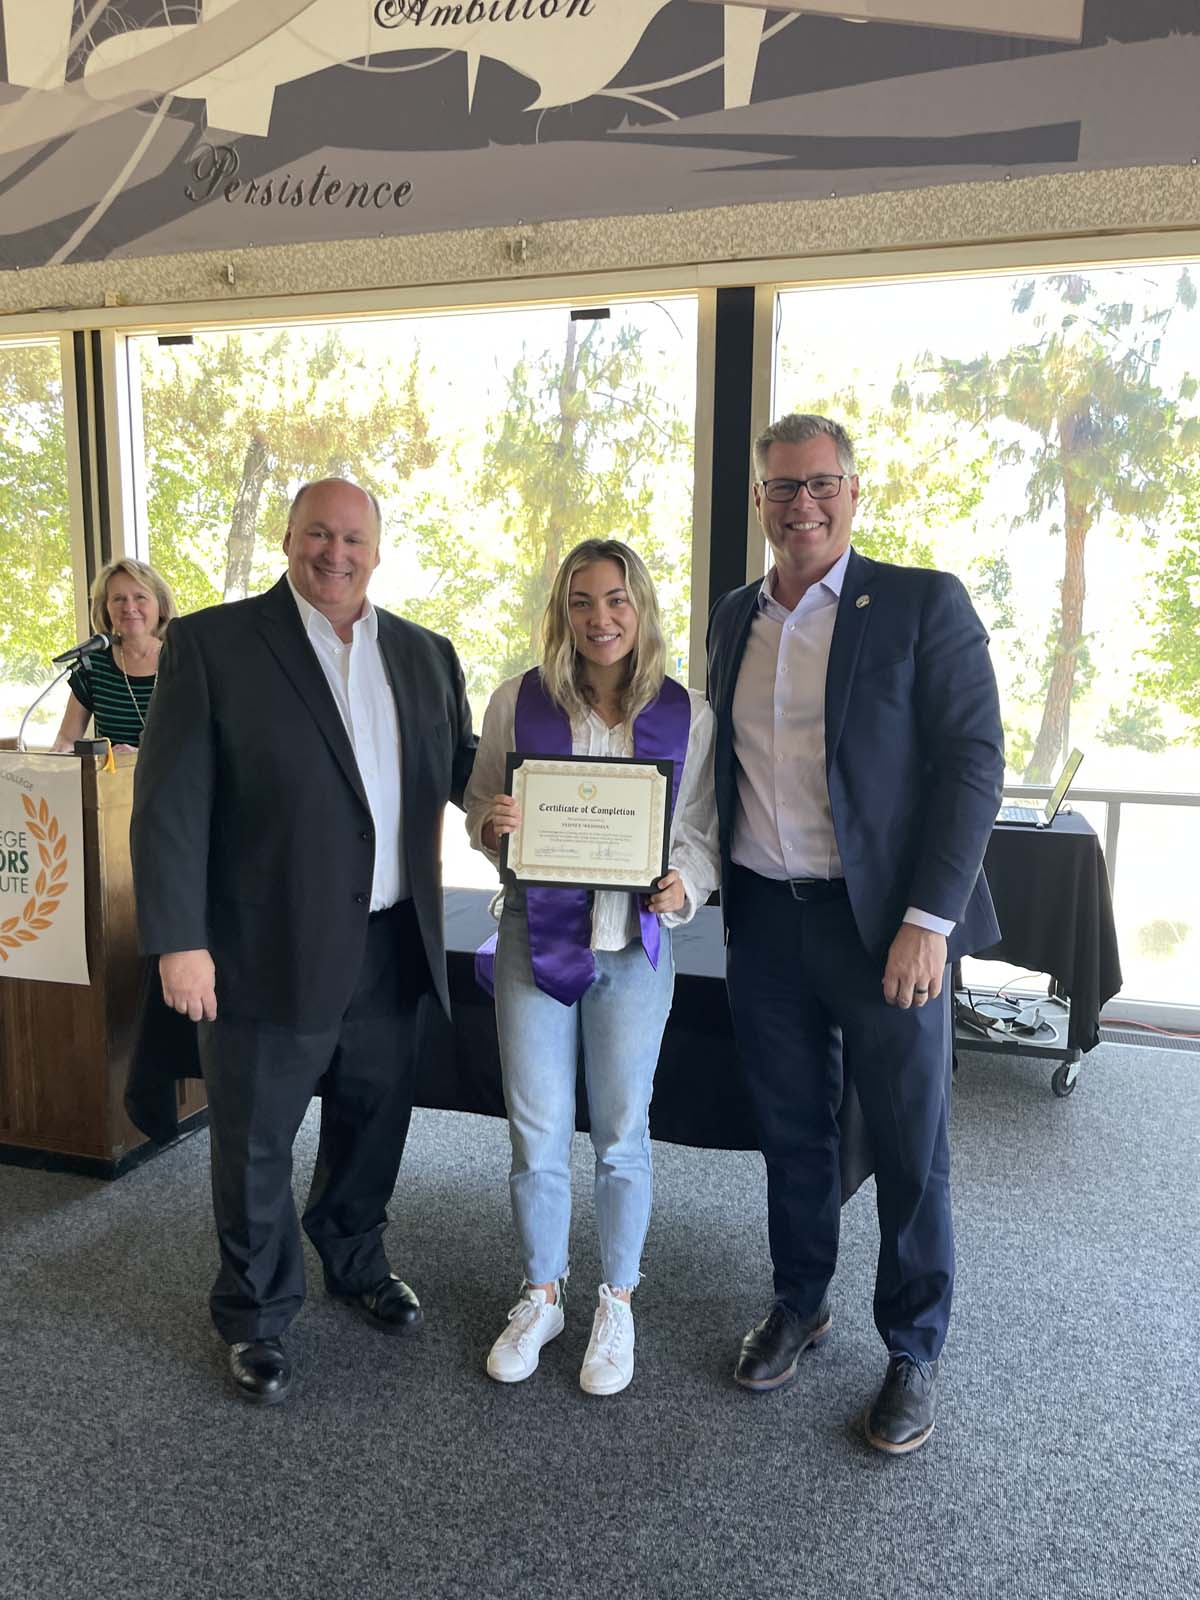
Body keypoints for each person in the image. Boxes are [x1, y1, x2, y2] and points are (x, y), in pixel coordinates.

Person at [130, 478, 475, 1406]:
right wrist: (178, 940)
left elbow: (464, 773)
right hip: (257, 947)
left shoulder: (425, 654)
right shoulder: (212, 644)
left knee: (374, 1120)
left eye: (353, 537)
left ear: (378, 547)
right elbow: (167, 807)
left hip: (392, 943)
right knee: (253, 1141)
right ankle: (255, 1313)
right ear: (287, 539)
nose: (335, 552)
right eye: (317, 534)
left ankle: (355, 1258)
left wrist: (524, 811)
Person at [707, 414, 1003, 1454]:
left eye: (820, 483)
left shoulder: (921, 602)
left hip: (883, 930)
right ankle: (801, 1300)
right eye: (783, 488)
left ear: (854, 491)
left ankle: (913, 1347)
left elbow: (973, 763)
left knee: (913, 1142)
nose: (803, 505)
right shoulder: (734, 616)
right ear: (760, 501)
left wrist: (932, 920)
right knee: (792, 1131)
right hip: (765, 922)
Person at [465, 538, 718, 1396]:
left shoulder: (690, 715)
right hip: (537, 948)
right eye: (581, 602)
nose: (599, 618)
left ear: (640, 609)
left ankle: (617, 1299)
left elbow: (702, 840)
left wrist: (687, 884)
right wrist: (494, 825)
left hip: (634, 956)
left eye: (616, 600)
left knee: (621, 1137)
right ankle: (542, 1294)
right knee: (535, 1134)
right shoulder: (517, 702)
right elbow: (477, 812)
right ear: (562, 612)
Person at [51, 558, 178, 751]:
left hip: (174, 780)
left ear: (160, 605)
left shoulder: (184, 661)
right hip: (110, 780)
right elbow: (67, 739)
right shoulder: (92, 665)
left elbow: (200, 744)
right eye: (118, 599)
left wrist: (139, 757)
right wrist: (57, 758)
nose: (129, 608)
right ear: (106, 608)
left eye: (140, 597)